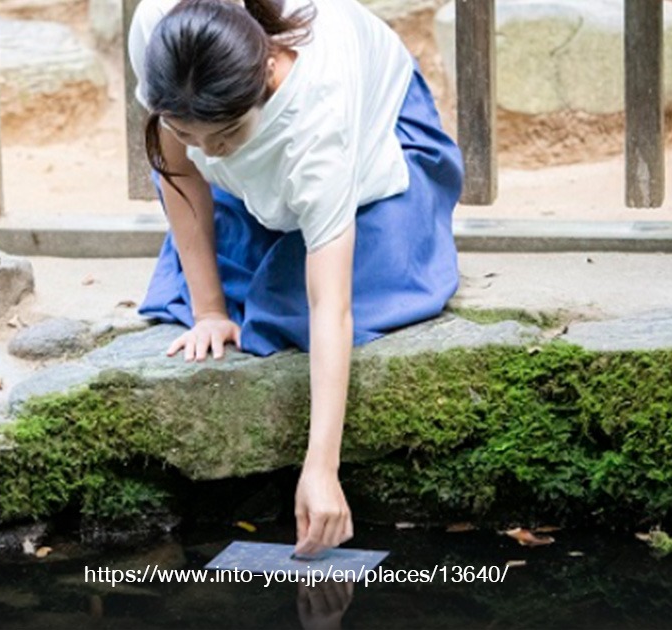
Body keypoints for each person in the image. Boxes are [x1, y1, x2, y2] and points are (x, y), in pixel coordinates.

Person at [128, 0, 463, 558]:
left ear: (267, 70)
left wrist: (322, 469)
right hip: (259, 141)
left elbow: (330, 305)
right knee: (217, 295)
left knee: (289, 309)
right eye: (187, 132)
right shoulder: (160, 31)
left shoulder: (320, 115)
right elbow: (180, 168)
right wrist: (209, 310)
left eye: (225, 135)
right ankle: (248, 213)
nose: (207, 153)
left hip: (380, 132)